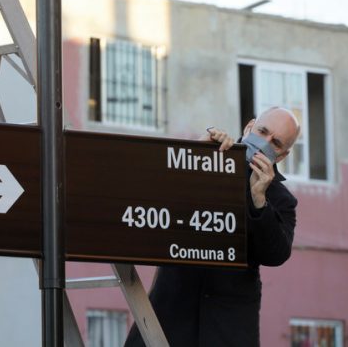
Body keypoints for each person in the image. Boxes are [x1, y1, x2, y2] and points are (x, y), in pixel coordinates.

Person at [124, 106, 300, 347]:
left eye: (276, 142)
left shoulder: (281, 199)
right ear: (249, 126)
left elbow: (276, 253)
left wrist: (259, 200)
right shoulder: (210, 154)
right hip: (170, 315)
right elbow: (157, 199)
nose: (265, 142)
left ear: (282, 155)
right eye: (262, 131)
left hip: (228, 327)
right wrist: (195, 155)